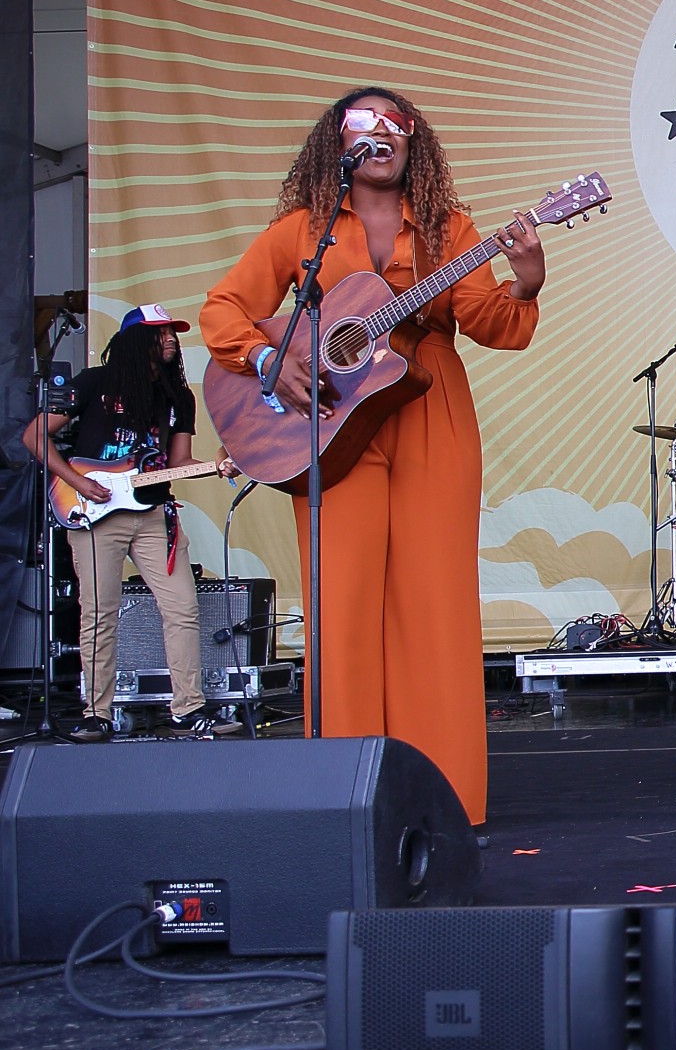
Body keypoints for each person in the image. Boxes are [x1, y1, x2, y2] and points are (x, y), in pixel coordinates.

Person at [201, 88, 543, 824]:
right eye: (364, 125)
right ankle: (341, 796)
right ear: (340, 143)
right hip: (324, 425)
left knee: (433, 601)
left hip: (429, 410)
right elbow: (222, 310)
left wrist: (527, 280)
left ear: (413, 140)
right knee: (341, 602)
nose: (380, 134)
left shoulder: (451, 229)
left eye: (395, 124)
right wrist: (268, 362)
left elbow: (489, 322)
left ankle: (446, 799)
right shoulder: (303, 230)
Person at [21, 305, 240, 740]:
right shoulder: (95, 382)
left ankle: (187, 709)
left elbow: (177, 463)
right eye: (160, 334)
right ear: (136, 340)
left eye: (172, 334)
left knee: (182, 608)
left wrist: (216, 465)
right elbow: (34, 435)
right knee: (99, 614)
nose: (171, 340)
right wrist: (76, 481)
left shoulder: (178, 397)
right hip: (95, 512)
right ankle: (97, 712)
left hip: (154, 515)